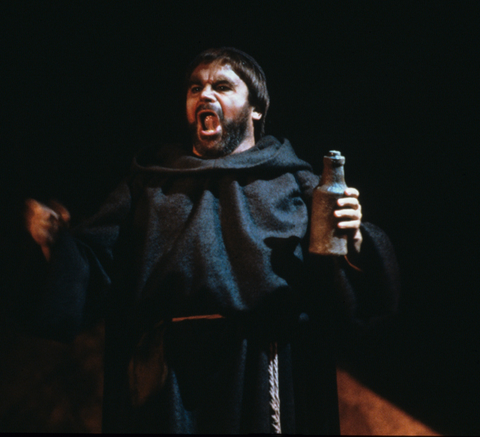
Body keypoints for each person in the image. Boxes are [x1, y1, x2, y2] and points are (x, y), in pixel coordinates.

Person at [19, 47, 399, 434]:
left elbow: (347, 292)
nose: (204, 95)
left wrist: (354, 240)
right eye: (195, 87)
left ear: (256, 109)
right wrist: (58, 245)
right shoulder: (151, 183)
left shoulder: (293, 183)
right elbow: (95, 260)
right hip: (167, 381)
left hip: (259, 371)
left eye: (221, 86)